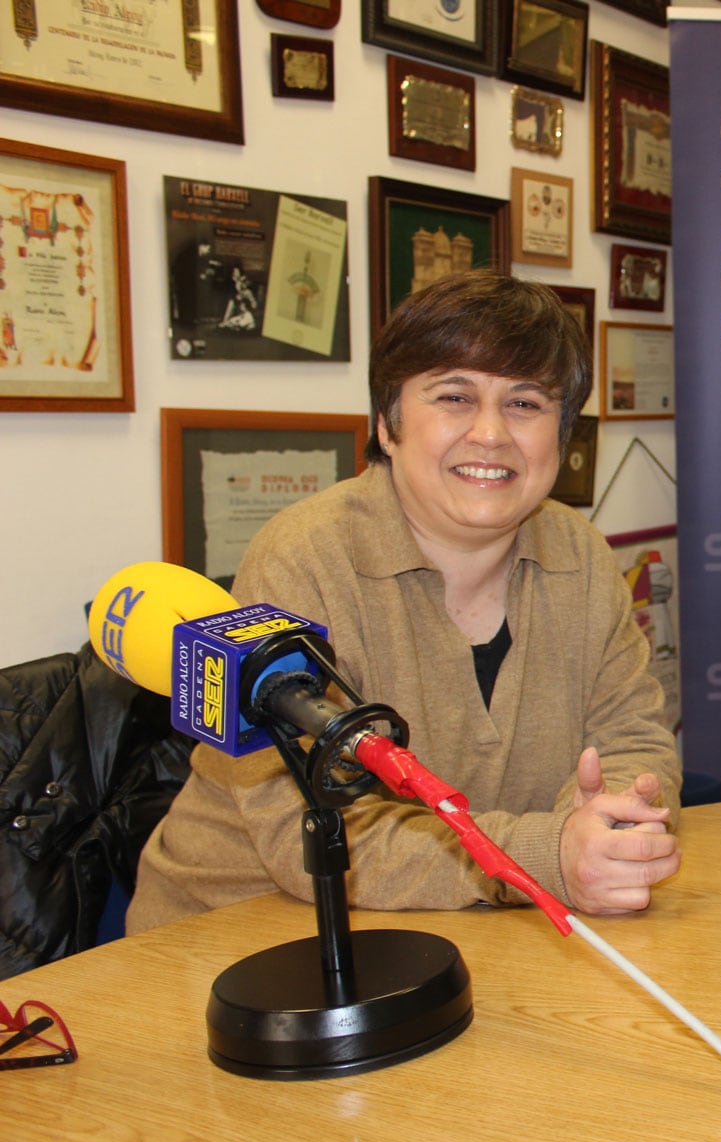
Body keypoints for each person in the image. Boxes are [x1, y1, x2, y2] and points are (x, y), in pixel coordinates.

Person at [129, 271, 681, 932]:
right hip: (239, 937)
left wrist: (607, 825)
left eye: (526, 403)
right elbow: (312, 827)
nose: (491, 433)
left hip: (475, 922)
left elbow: (634, 736)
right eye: (454, 396)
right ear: (387, 426)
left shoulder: (583, 556)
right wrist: (548, 854)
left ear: (561, 437)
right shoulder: (300, 559)